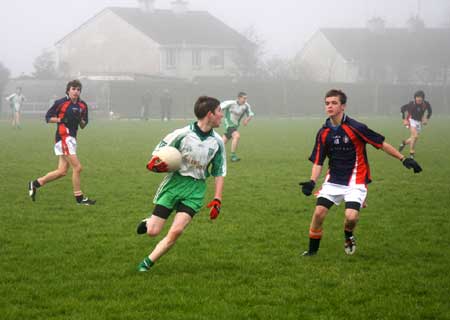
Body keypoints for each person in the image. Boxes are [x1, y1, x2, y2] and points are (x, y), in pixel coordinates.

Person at [299, 89, 422, 256]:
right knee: (319, 213)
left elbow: (381, 143)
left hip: (356, 181)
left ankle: (348, 235)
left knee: (350, 218)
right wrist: (312, 181)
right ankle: (312, 252)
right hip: (334, 180)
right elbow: (318, 161)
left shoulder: (356, 127)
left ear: (343, 106)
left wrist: (403, 159)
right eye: (327, 103)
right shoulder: (323, 132)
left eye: (334, 103)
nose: (330, 106)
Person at [136, 96, 226, 272]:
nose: (222, 115)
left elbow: (219, 171)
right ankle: (148, 223)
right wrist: (156, 163)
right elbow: (158, 153)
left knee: (176, 231)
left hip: (195, 189)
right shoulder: (181, 134)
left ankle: (147, 263)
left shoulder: (217, 142)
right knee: (153, 232)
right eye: (219, 111)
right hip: (174, 184)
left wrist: (217, 198)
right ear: (210, 114)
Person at [28, 80, 96, 205]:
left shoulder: (83, 105)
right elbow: (48, 118)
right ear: (68, 90)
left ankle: (35, 183)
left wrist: (80, 119)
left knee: (62, 171)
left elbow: (83, 125)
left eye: (78, 89)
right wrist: (62, 119)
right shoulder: (60, 103)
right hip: (63, 137)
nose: (76, 91)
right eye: (73, 89)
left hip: (72, 138)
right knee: (78, 167)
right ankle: (79, 199)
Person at [220, 92, 255, 162]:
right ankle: (233, 156)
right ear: (239, 98)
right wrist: (218, 115)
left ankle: (210, 154)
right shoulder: (230, 103)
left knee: (221, 142)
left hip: (235, 126)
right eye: (244, 98)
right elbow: (219, 107)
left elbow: (251, 114)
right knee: (237, 136)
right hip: (228, 124)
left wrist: (247, 120)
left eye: (246, 98)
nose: (245, 100)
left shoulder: (246, 106)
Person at [398, 90, 432, 159]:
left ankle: (404, 143)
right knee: (415, 136)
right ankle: (411, 153)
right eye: (417, 97)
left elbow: (430, 112)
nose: (419, 98)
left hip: (419, 122)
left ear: (423, 98)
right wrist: (404, 119)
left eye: (420, 97)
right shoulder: (411, 104)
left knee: (413, 137)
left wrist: (426, 119)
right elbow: (402, 109)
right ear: (415, 97)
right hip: (411, 120)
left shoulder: (426, 104)